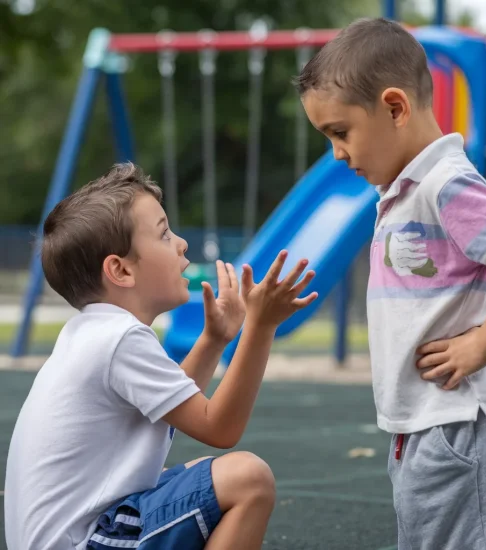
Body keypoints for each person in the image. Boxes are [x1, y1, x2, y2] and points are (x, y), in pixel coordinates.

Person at [294, 17, 486, 549]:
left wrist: (483, 343)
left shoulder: (445, 182)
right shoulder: (406, 188)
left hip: (457, 418)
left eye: (340, 133)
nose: (338, 154)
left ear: (394, 108)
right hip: (423, 418)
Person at [4, 163, 318, 550]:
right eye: (164, 233)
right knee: (248, 478)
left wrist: (215, 339)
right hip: (82, 541)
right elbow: (219, 429)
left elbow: (172, 409)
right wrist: (261, 325)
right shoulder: (119, 338)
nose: (181, 243)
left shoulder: (92, 332)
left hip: (74, 535)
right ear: (120, 270)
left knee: (191, 475)